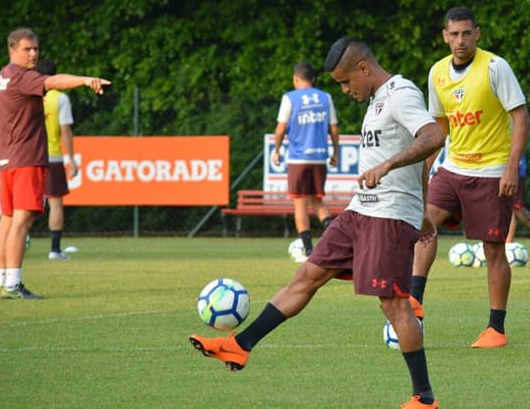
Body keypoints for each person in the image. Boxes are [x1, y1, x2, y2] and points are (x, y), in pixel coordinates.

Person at [189, 38, 445, 409]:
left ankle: (424, 398)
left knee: (394, 307)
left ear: (363, 68)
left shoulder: (401, 92)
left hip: (388, 215)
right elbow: (420, 161)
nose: (344, 90)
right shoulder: (376, 101)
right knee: (306, 276)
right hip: (360, 211)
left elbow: (433, 136)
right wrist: (421, 207)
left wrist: (388, 168)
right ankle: (239, 346)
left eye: (345, 82)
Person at [410, 6, 530, 348]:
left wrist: (511, 168)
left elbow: (521, 118)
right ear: (445, 36)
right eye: (454, 34)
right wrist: (425, 165)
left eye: (467, 33)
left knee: (493, 249)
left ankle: (496, 328)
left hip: (493, 171)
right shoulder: (437, 73)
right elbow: (440, 128)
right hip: (453, 168)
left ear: (477, 33)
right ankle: (415, 300)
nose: (460, 41)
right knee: (425, 223)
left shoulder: (495, 67)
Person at [0, 28, 111, 299]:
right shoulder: (23, 77)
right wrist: (85, 80)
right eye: (27, 49)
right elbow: (55, 81)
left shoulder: (0, 78)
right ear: (12, 49)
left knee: (7, 222)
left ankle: (3, 283)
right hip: (27, 159)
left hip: (7, 161)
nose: (33, 54)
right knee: (21, 221)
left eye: (36, 49)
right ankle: (13, 284)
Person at [271, 62, 339, 261]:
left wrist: (276, 150)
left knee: (300, 204)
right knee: (317, 201)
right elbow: (334, 129)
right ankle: (336, 242)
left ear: (296, 79)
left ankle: (308, 251)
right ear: (314, 79)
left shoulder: (290, 98)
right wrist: (335, 152)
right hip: (319, 158)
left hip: (298, 159)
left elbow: (280, 129)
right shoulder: (326, 97)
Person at [35, 59, 78, 260]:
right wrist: (72, 159)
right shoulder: (59, 98)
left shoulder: (29, 95)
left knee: (21, 206)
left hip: (29, 156)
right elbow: (65, 130)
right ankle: (55, 250)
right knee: (56, 204)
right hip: (51, 156)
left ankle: (19, 242)